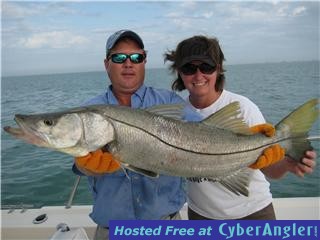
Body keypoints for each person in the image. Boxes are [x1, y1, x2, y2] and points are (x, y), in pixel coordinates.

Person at [164, 35, 317, 220]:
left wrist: (287, 164)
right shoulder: (175, 114)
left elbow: (269, 169)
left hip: (253, 213)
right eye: (189, 68)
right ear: (179, 71)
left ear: (218, 69)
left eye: (207, 67)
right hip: (201, 215)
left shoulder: (243, 108)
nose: (198, 75)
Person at [72, 30, 186, 240]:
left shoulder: (170, 101)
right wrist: (83, 166)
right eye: (118, 57)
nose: (128, 63)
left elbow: (206, 135)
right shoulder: (87, 111)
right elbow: (79, 162)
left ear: (144, 62)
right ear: (107, 64)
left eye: (136, 57)